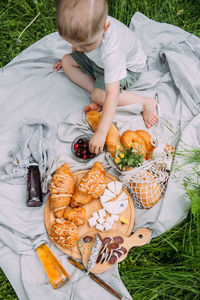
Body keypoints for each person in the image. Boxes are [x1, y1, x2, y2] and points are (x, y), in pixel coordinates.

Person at [54, 0, 158, 154]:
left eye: (86, 45)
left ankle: (145, 102)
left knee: (104, 95)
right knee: (67, 61)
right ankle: (98, 92)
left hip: (127, 68)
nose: (80, 49)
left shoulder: (112, 52)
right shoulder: (90, 30)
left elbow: (113, 93)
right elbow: (79, 48)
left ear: (105, 27)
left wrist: (101, 133)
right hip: (99, 64)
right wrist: (76, 51)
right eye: (74, 43)